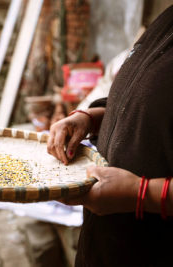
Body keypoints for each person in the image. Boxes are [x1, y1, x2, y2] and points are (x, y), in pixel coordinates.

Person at [47, 5, 173, 266]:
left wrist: (141, 194)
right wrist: (90, 118)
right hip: (110, 246)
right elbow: (149, 108)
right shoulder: (167, 19)